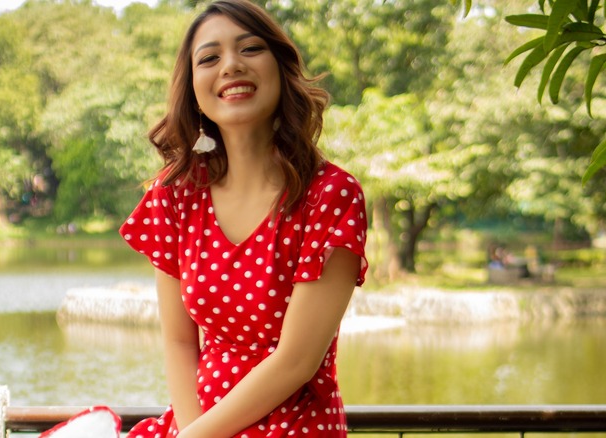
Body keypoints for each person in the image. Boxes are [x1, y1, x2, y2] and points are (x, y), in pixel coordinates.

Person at [42, 1, 367, 437]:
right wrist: (190, 430)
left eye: (250, 49)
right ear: (193, 87)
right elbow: (179, 341)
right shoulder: (176, 195)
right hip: (197, 419)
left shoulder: (331, 195)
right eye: (209, 58)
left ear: (281, 67)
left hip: (294, 424)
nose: (231, 66)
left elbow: (296, 362)